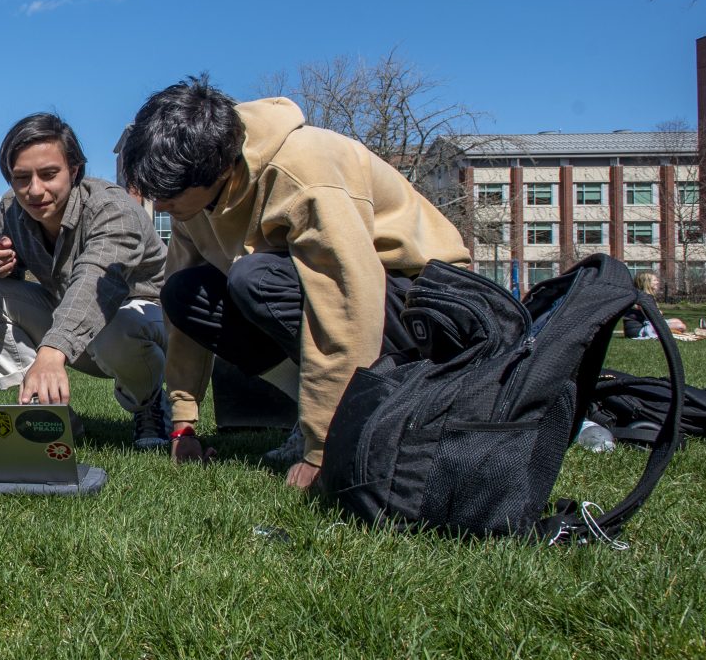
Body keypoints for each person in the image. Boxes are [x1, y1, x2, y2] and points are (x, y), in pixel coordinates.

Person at [119, 77, 471, 491]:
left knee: (255, 278)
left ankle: (351, 420)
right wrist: (183, 422)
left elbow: (347, 303)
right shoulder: (192, 205)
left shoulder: (305, 173)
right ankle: (311, 410)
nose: (159, 206)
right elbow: (179, 311)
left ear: (215, 170)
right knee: (184, 292)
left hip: (426, 309)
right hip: (351, 300)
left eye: (169, 195)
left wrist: (323, 446)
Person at [0, 112, 173, 448]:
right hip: (76, 327)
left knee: (117, 324)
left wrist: (52, 352)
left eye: (48, 174)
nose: (34, 190)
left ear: (73, 170)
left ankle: (150, 404)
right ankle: (47, 413)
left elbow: (97, 281)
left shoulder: (111, 208)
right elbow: (5, 274)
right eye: (20, 178)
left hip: (149, 323)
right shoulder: (11, 210)